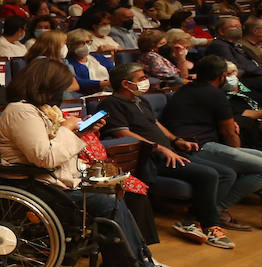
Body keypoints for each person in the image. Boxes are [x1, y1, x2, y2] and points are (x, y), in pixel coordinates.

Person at [0, 58, 177, 267]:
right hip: (34, 184)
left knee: (116, 193)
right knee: (107, 203)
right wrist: (66, 129)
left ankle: (138, 263)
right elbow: (45, 157)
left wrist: (82, 132)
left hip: (52, 178)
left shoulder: (39, 110)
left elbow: (55, 149)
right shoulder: (21, 112)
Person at [100, 63, 236, 249]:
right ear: (125, 83)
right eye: (141, 78)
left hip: (171, 152)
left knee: (227, 172)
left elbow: (155, 124)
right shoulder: (111, 104)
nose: (146, 82)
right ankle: (210, 226)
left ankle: (191, 220)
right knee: (209, 174)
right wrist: (161, 149)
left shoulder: (140, 100)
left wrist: (176, 139)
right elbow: (123, 134)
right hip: (150, 158)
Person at [160, 55, 262, 231]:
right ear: (222, 76)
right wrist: (237, 157)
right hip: (198, 146)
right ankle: (214, 211)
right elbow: (229, 133)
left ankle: (214, 210)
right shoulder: (215, 94)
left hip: (194, 143)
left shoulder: (186, 89)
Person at [204, 16, 262, 82]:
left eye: (240, 27)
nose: (238, 29)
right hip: (244, 79)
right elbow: (235, 68)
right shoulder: (219, 46)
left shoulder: (236, 44)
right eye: (234, 26)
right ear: (221, 31)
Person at [66, 28, 111, 93]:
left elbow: (114, 72)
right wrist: (104, 83)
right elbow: (78, 82)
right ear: (71, 45)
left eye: (88, 42)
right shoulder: (68, 62)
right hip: (87, 94)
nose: (86, 46)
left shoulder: (99, 57)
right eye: (81, 43)